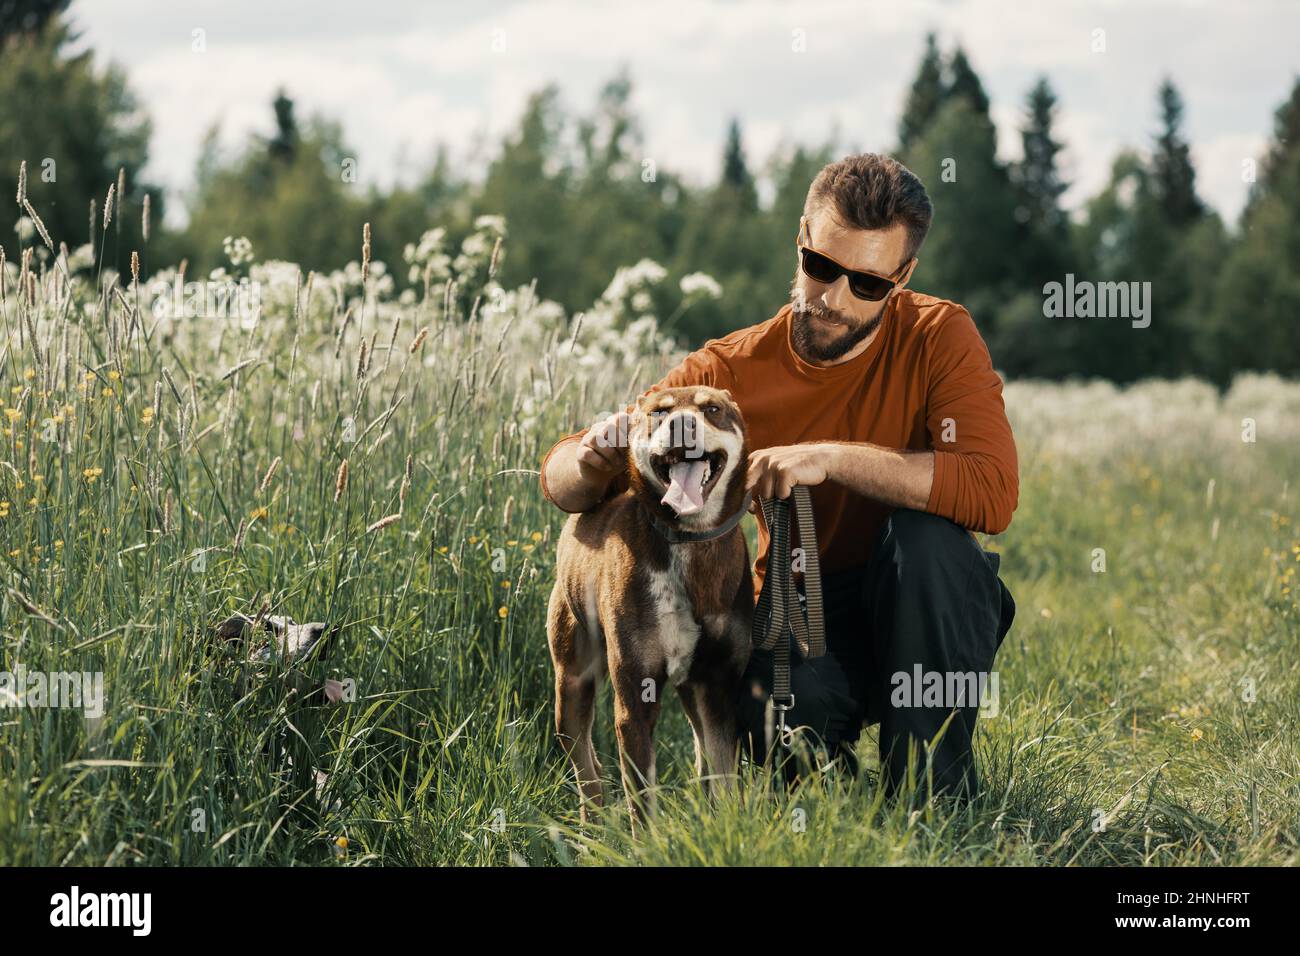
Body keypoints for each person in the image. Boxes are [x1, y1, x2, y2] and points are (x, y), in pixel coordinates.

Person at [539, 153, 1017, 800]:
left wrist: (828, 458)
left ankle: (932, 799)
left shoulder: (941, 336)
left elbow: (991, 489)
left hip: (922, 603)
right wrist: (591, 456)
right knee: (773, 723)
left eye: (867, 284)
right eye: (821, 267)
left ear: (902, 277)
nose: (834, 298)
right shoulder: (727, 374)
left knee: (930, 544)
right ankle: (834, 785)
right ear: (801, 241)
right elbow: (573, 475)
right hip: (799, 616)